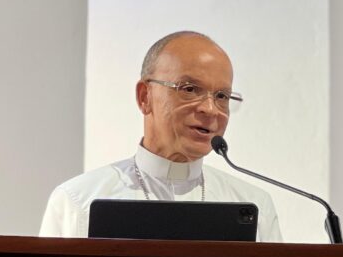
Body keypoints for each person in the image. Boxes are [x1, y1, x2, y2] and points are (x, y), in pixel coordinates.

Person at [40, 32, 282, 240]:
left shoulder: (254, 204)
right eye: (189, 89)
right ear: (145, 97)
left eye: (222, 96)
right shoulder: (77, 201)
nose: (210, 109)